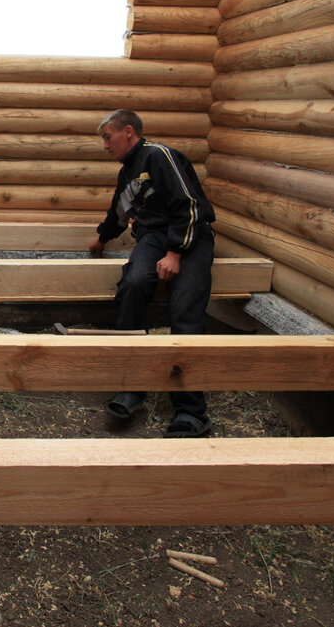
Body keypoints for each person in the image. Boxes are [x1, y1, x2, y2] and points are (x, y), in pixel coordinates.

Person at [88, 109, 216, 438]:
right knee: (132, 285)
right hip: (153, 238)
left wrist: (175, 253)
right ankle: (133, 386)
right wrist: (102, 238)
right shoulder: (127, 173)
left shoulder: (158, 156)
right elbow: (119, 211)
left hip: (189, 236)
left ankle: (191, 411)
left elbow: (190, 205)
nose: (104, 145)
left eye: (107, 137)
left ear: (128, 132)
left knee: (185, 314)